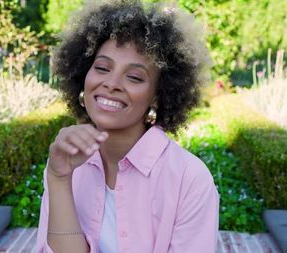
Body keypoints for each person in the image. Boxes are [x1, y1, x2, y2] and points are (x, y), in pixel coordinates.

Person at [35, 0, 219, 252]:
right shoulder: (66, 161)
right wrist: (58, 178)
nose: (112, 83)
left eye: (133, 77)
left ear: (157, 96)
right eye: (101, 68)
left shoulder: (190, 179)